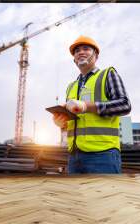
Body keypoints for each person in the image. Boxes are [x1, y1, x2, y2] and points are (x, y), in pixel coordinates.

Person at [52, 35, 131, 174]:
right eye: (76, 51)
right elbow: (76, 121)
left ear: (96, 55)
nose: (80, 52)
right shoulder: (71, 86)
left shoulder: (107, 75)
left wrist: (86, 106)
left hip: (103, 155)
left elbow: (125, 105)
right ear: (74, 59)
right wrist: (62, 123)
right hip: (74, 155)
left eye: (86, 49)